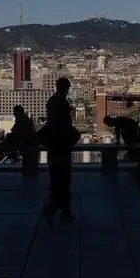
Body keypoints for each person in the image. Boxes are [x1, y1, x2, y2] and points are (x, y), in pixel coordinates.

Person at [40, 77, 80, 226]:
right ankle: (55, 209)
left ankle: (64, 211)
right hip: (61, 145)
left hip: (54, 145)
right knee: (63, 179)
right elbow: (64, 124)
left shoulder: (52, 101)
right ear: (67, 88)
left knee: (57, 179)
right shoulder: (62, 102)